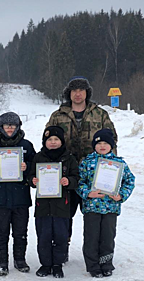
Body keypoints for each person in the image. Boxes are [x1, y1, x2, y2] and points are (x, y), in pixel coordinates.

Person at [46, 76, 118, 260]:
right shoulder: (58, 115)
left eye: (81, 90)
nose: (78, 94)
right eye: (74, 90)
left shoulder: (100, 114)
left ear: (87, 92)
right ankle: (62, 250)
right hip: (66, 174)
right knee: (64, 215)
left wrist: (111, 169)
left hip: (93, 177)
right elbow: (48, 143)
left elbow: (111, 141)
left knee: (94, 217)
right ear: (69, 93)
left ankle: (96, 254)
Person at [76, 129, 135, 278]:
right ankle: (93, 266)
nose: (102, 146)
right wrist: (88, 193)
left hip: (110, 207)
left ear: (111, 145)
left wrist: (121, 195)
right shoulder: (87, 162)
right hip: (92, 207)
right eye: (99, 143)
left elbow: (129, 181)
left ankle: (106, 264)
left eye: (106, 143)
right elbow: (79, 182)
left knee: (108, 238)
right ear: (94, 145)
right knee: (91, 237)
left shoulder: (119, 163)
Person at [0, 112, 35, 276]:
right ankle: (2, 262)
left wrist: (27, 167)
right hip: (0, 198)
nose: (9, 128)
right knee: (0, 231)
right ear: (1, 127)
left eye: (12, 125)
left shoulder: (26, 146)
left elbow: (35, 167)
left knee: (20, 232)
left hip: (21, 197)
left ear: (18, 126)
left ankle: (20, 260)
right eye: (6, 125)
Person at [28, 126, 79, 278]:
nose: (53, 142)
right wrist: (33, 180)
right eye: (49, 140)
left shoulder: (69, 158)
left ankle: (57, 264)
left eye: (56, 139)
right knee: (43, 236)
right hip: (42, 206)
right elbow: (30, 175)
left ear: (62, 141)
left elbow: (76, 178)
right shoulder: (38, 157)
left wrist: (68, 181)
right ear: (45, 142)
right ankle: (45, 264)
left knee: (60, 237)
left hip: (61, 206)